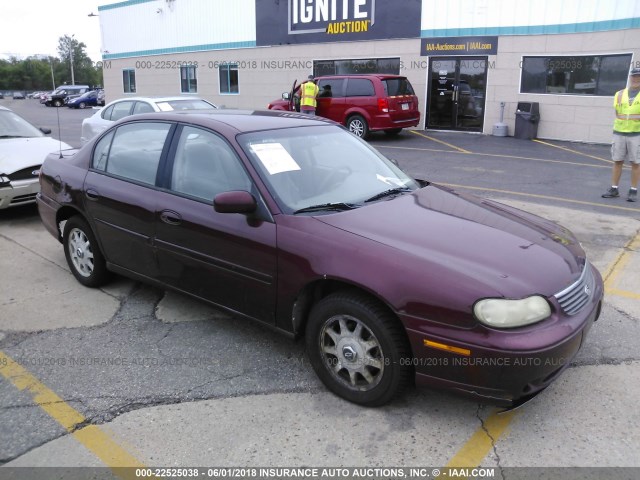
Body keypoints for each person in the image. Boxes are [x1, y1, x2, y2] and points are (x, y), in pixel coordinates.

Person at [602, 67, 640, 202]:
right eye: (634, 76)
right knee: (617, 161)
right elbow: (617, 113)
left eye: (638, 76)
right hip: (619, 133)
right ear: (630, 78)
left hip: (636, 134)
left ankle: (633, 190)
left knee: (636, 163)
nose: (636, 79)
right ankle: (614, 189)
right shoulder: (619, 94)